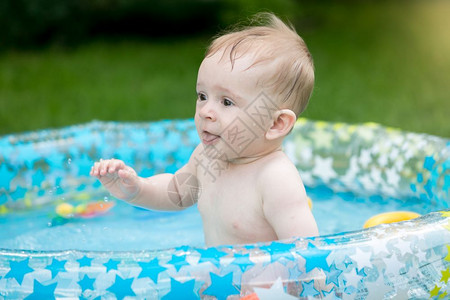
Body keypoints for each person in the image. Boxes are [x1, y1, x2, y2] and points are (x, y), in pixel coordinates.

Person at [90, 12, 318, 247]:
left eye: (227, 102)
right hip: (218, 280)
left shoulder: (275, 179)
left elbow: (307, 253)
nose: (205, 111)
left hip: (263, 283)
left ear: (276, 124)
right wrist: (136, 189)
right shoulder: (207, 158)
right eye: (202, 96)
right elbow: (177, 192)